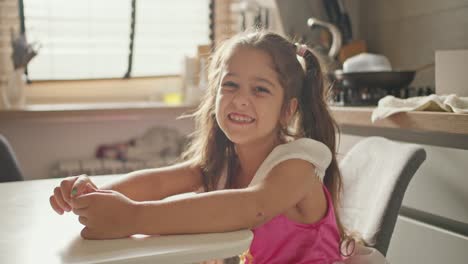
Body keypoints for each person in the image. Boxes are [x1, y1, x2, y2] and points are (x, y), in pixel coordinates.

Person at [49, 30, 349, 263]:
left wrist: (131, 217)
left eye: (260, 89)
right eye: (230, 85)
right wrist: (92, 195)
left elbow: (252, 206)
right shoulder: (223, 162)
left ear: (288, 109)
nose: (241, 99)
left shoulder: (299, 162)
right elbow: (160, 182)